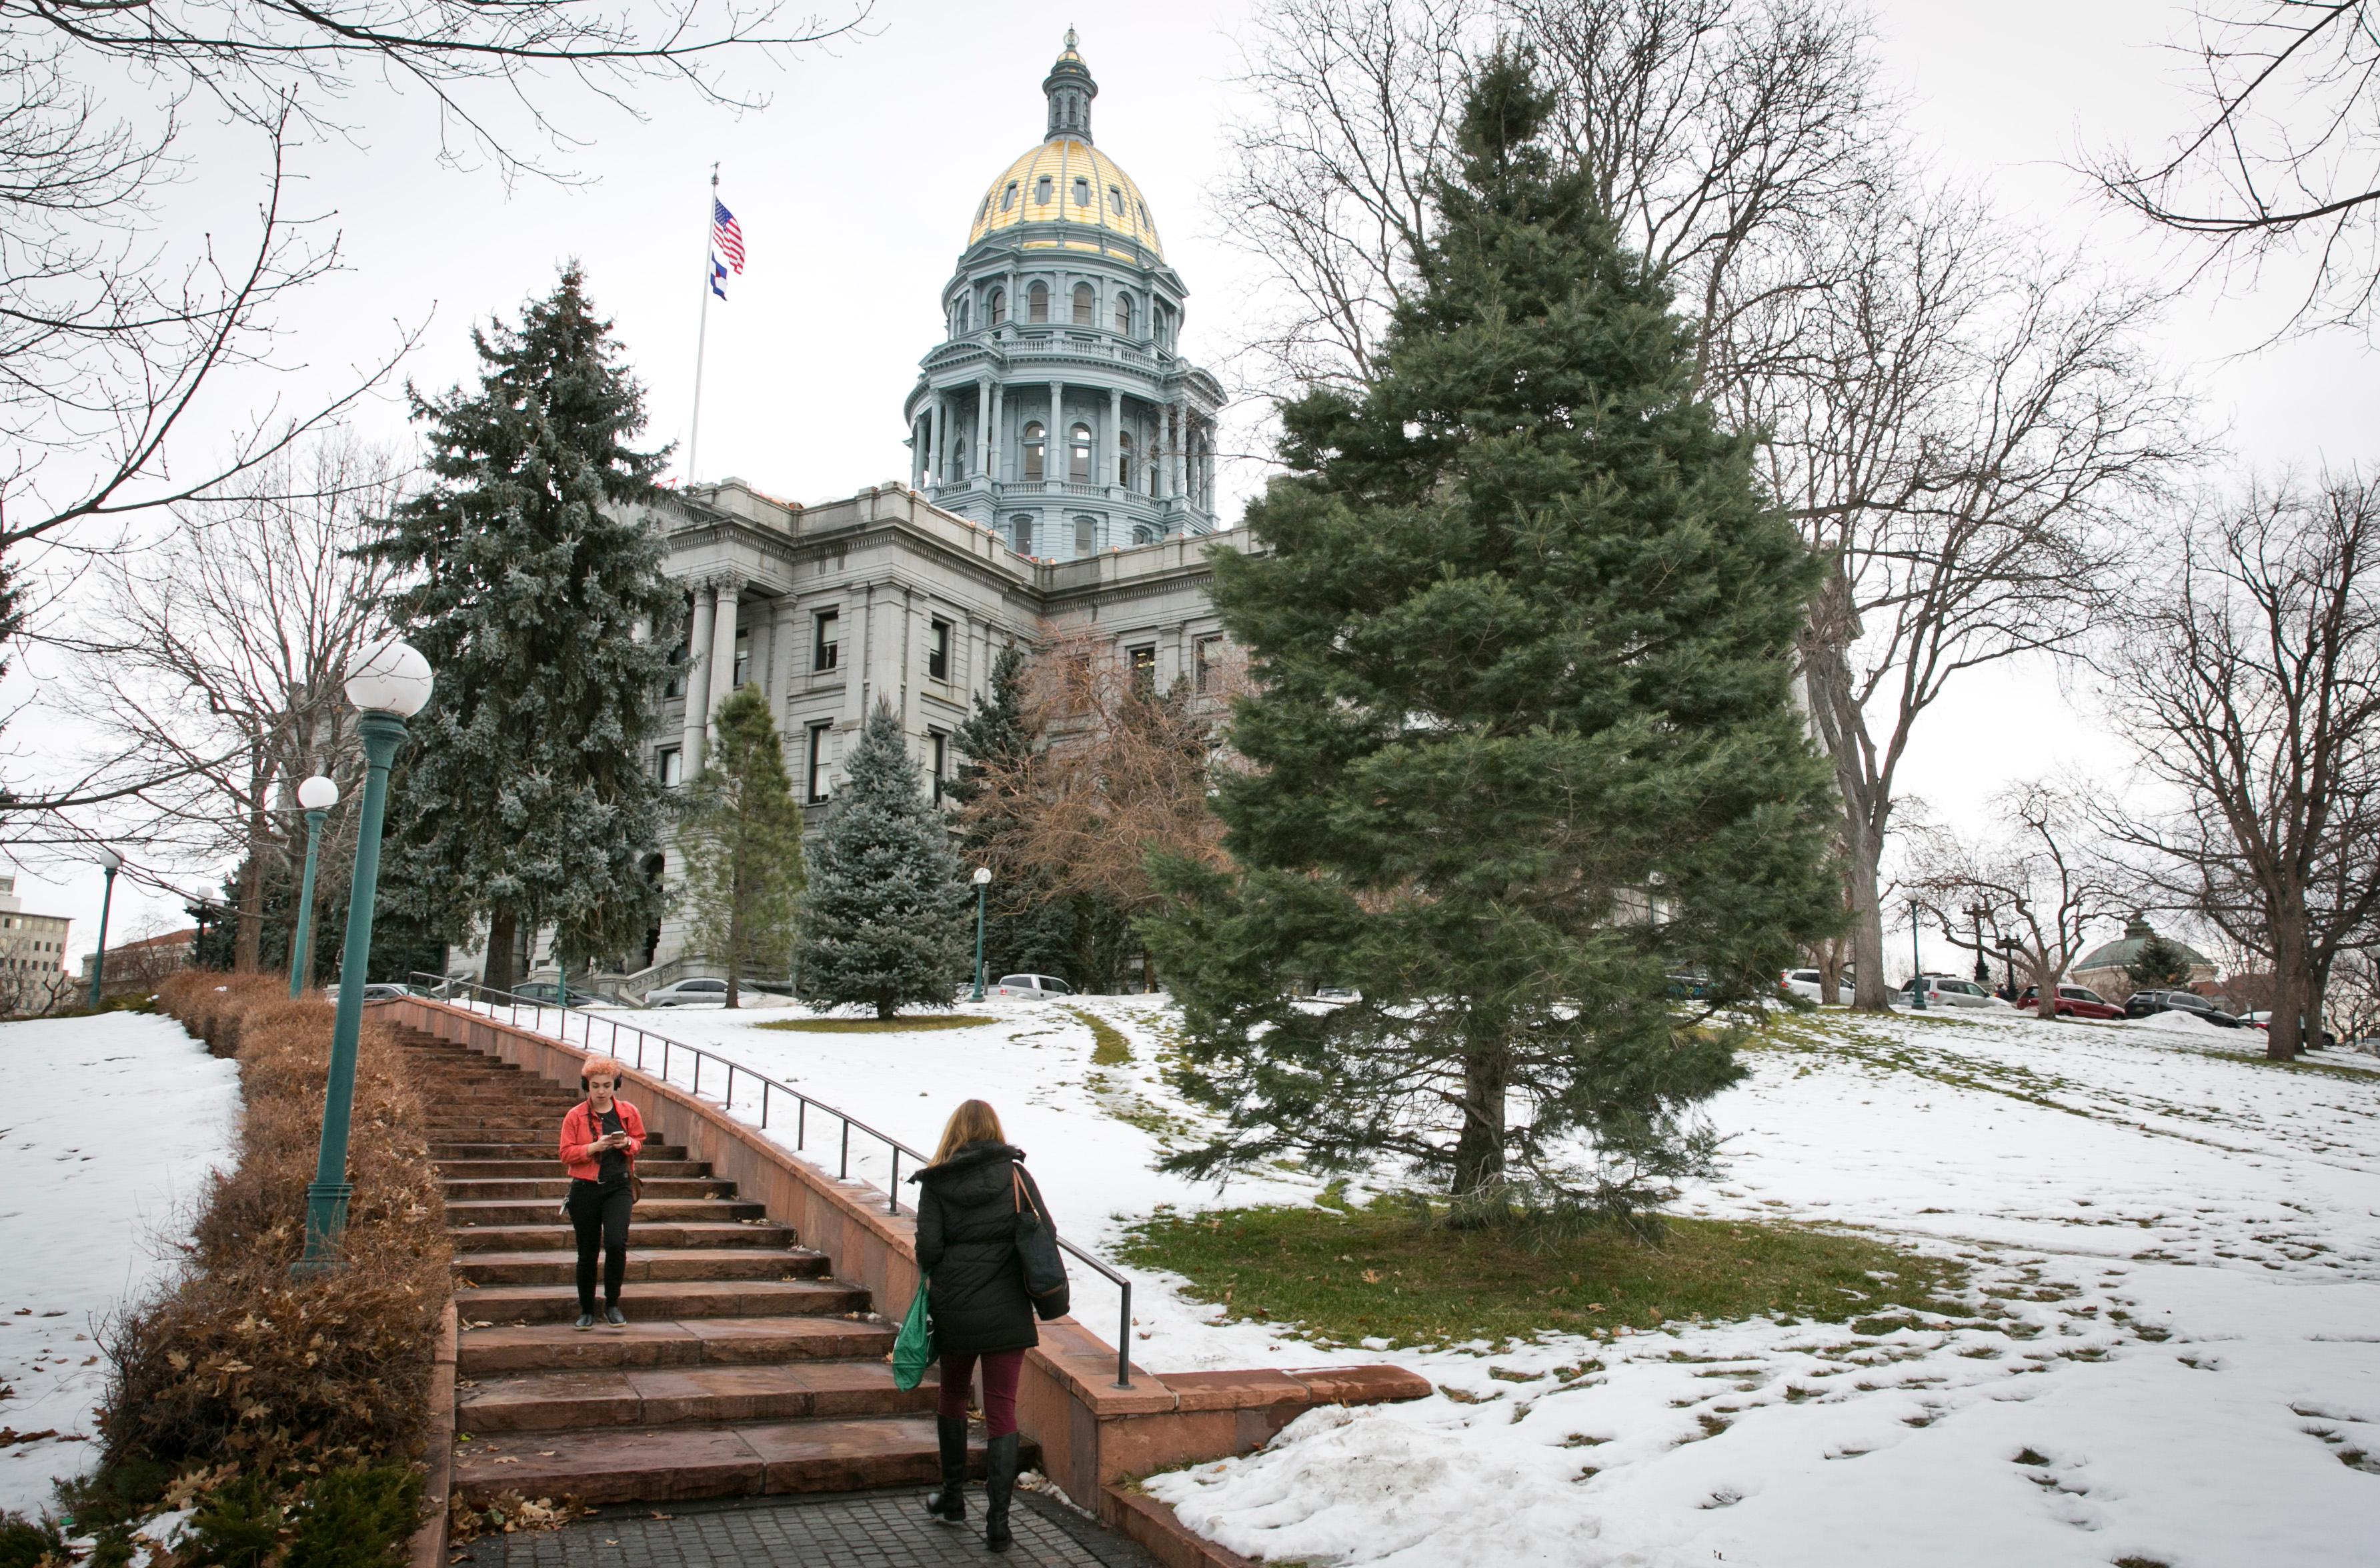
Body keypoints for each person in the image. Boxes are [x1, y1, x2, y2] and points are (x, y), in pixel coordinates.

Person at [911, 1099, 1052, 1553]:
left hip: (954, 1306)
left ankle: (953, 1499)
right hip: (1008, 1306)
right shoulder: (1015, 1176)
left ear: (954, 1131)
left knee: (952, 1394)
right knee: (1001, 1408)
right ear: (994, 1129)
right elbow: (1042, 1231)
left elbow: (928, 1250)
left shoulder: (937, 1182)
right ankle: (999, 1524)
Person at [557, 1059, 645, 1331]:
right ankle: (586, 1309)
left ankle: (612, 1305)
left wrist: (627, 1143)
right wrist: (592, 1147)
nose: (601, 1091)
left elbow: (639, 1141)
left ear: (616, 1085)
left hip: (618, 1186)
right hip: (585, 1188)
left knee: (617, 1243)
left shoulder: (628, 1112)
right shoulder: (575, 1116)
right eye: (595, 1086)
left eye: (607, 1085)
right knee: (588, 1252)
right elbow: (565, 1154)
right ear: (587, 1085)